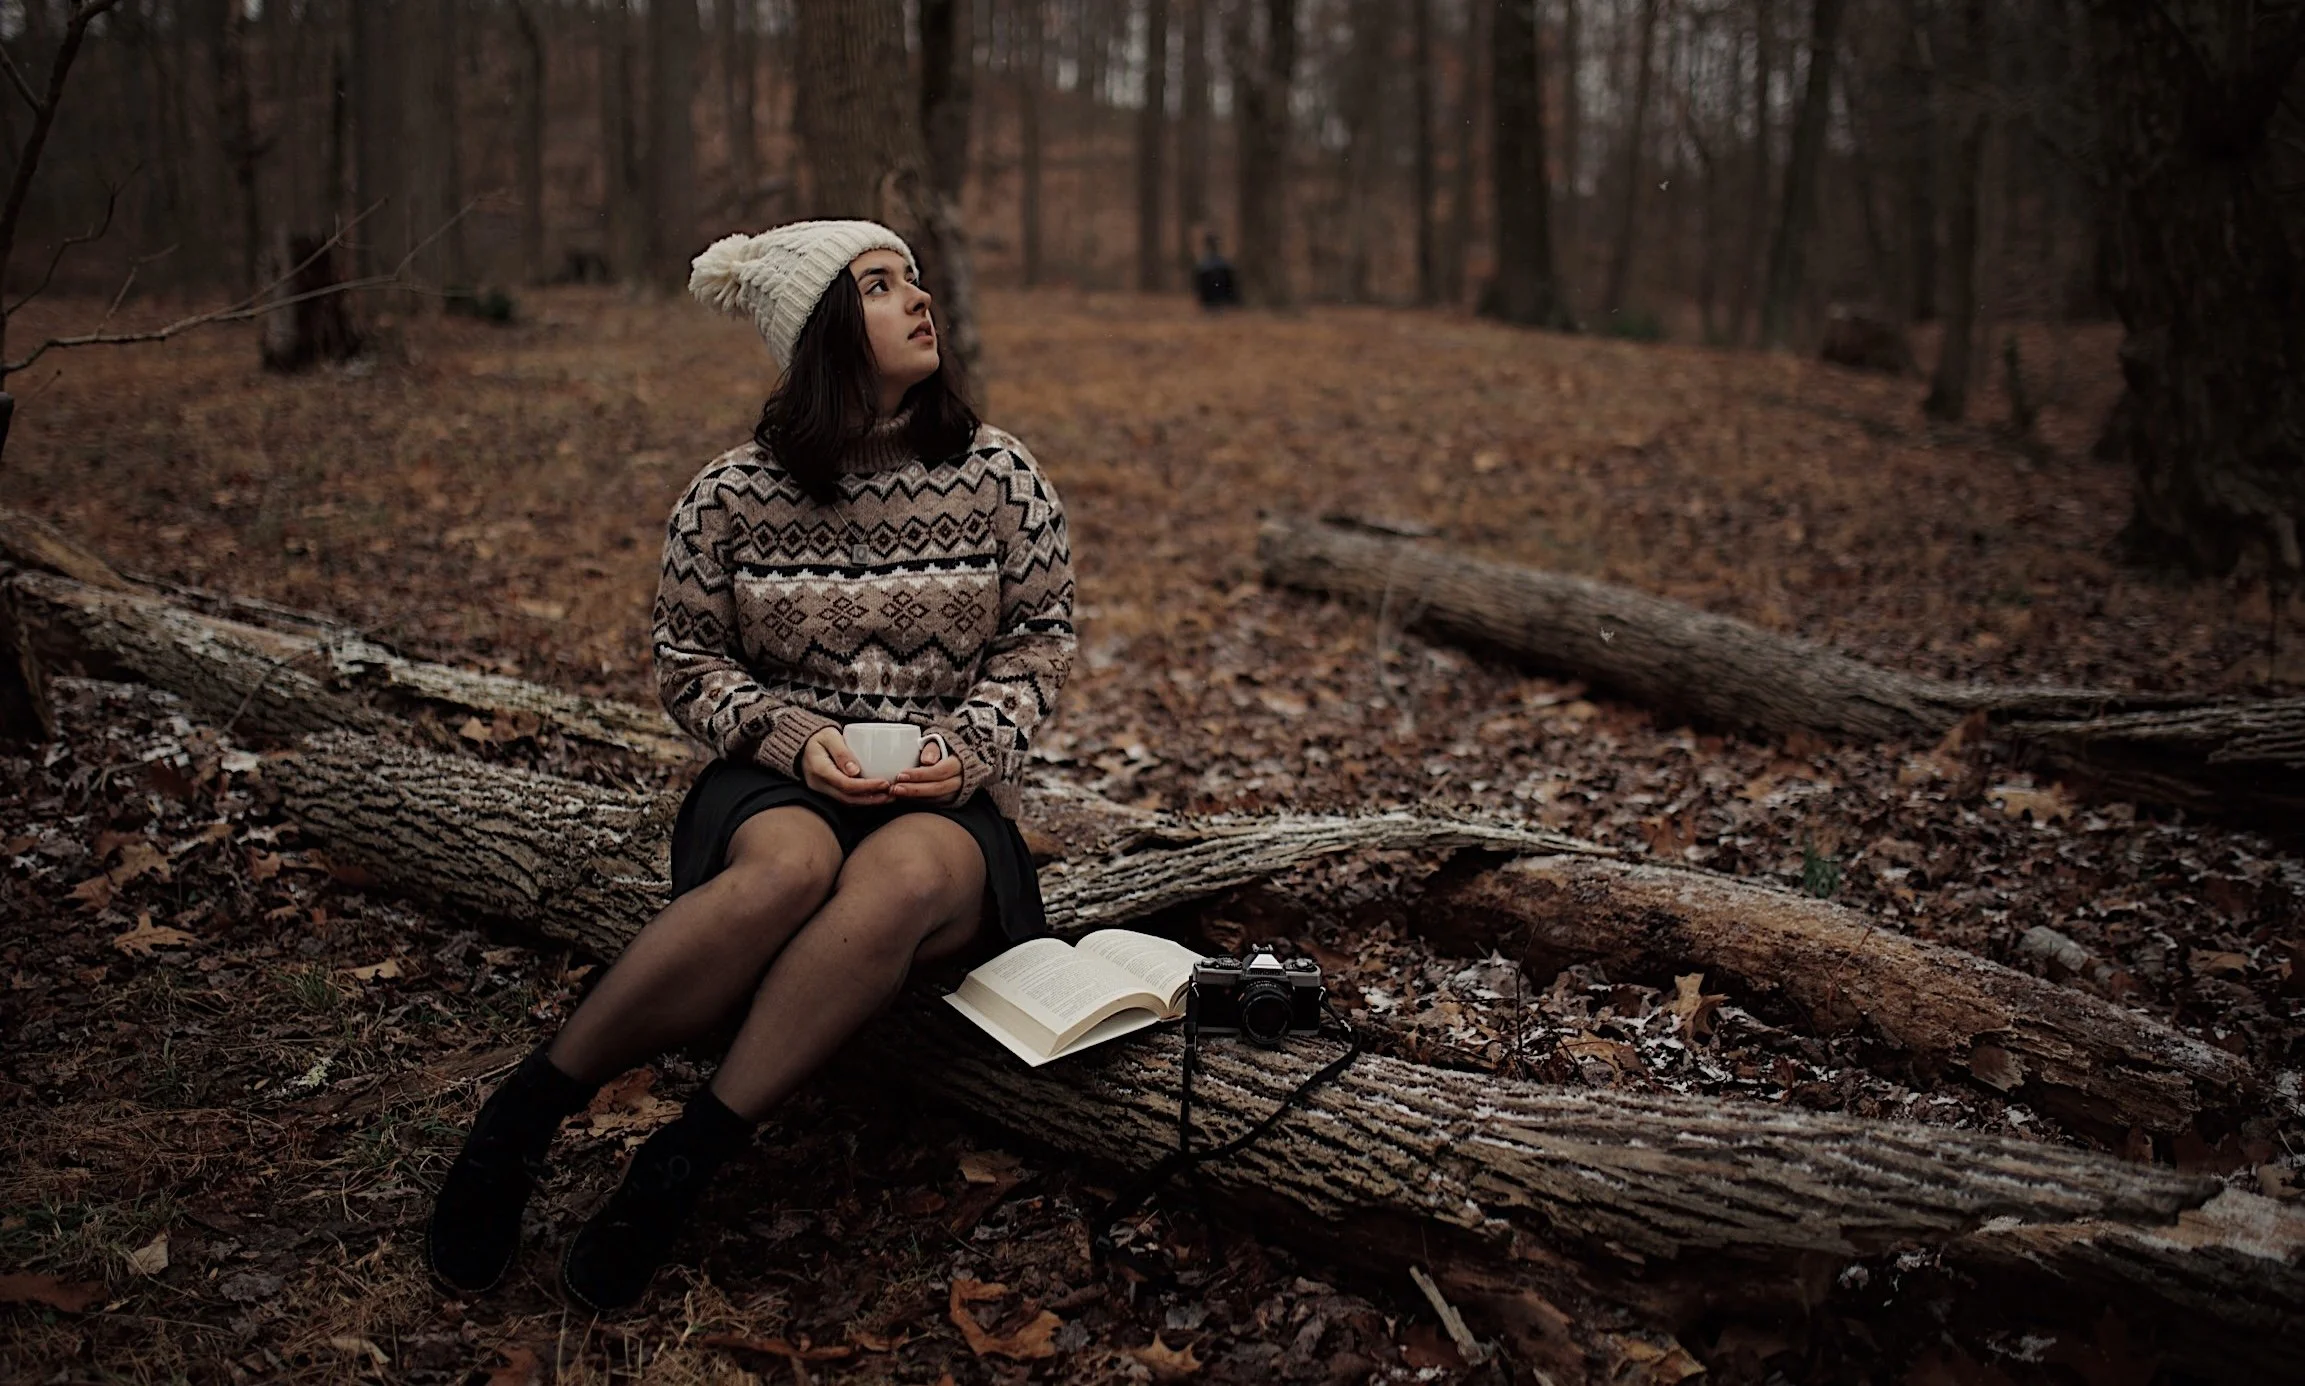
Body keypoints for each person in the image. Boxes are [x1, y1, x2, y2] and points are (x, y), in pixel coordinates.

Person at [422, 219, 1076, 1314]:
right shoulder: (729, 495)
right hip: (779, 779)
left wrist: (964, 751)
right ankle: (524, 1119)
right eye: (879, 285)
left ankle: (682, 1166)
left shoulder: (1001, 476)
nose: (917, 299)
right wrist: (788, 739)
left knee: (902, 881)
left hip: (943, 801)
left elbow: (1041, 639)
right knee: (785, 875)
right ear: (822, 329)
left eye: (913, 278)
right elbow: (684, 660)